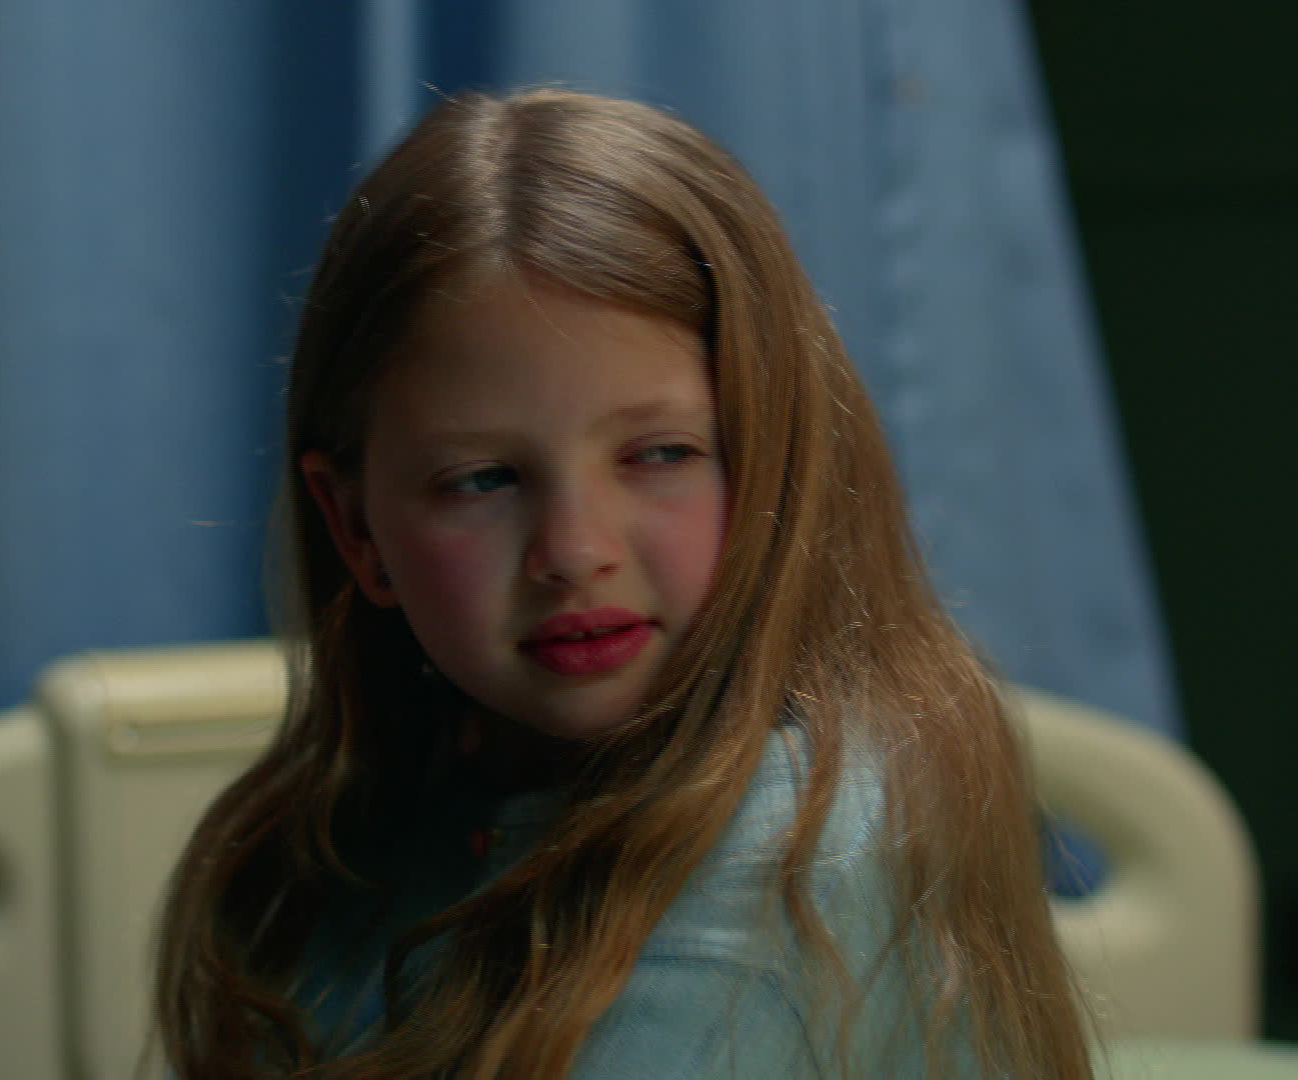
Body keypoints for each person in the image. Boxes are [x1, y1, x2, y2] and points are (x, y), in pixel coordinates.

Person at [152, 88, 1094, 1079]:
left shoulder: (798, 856)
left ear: (777, 460)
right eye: (483, 479)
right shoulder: (327, 864)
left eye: (659, 454)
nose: (573, 550)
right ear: (355, 527)